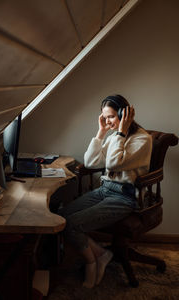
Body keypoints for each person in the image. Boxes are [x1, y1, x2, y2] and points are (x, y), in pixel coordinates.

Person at [59, 94, 152, 288]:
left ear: (124, 114)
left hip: (124, 196)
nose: (107, 121)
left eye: (110, 116)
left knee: (73, 224)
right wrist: (101, 133)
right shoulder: (113, 136)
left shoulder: (142, 139)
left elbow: (113, 164)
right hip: (105, 189)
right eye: (104, 117)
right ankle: (102, 254)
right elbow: (92, 162)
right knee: (62, 217)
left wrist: (121, 133)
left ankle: (91, 262)